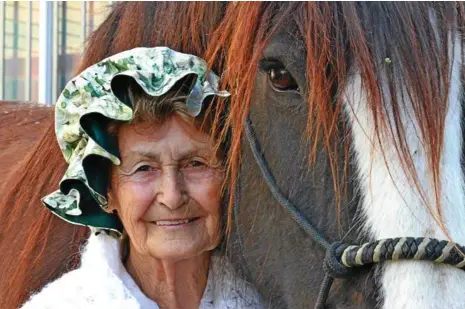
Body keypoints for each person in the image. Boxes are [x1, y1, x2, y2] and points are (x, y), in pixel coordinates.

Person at [20, 47, 263, 309]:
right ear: (106, 192)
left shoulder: (276, 302)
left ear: (227, 181)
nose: (172, 197)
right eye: (144, 169)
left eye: (195, 164)